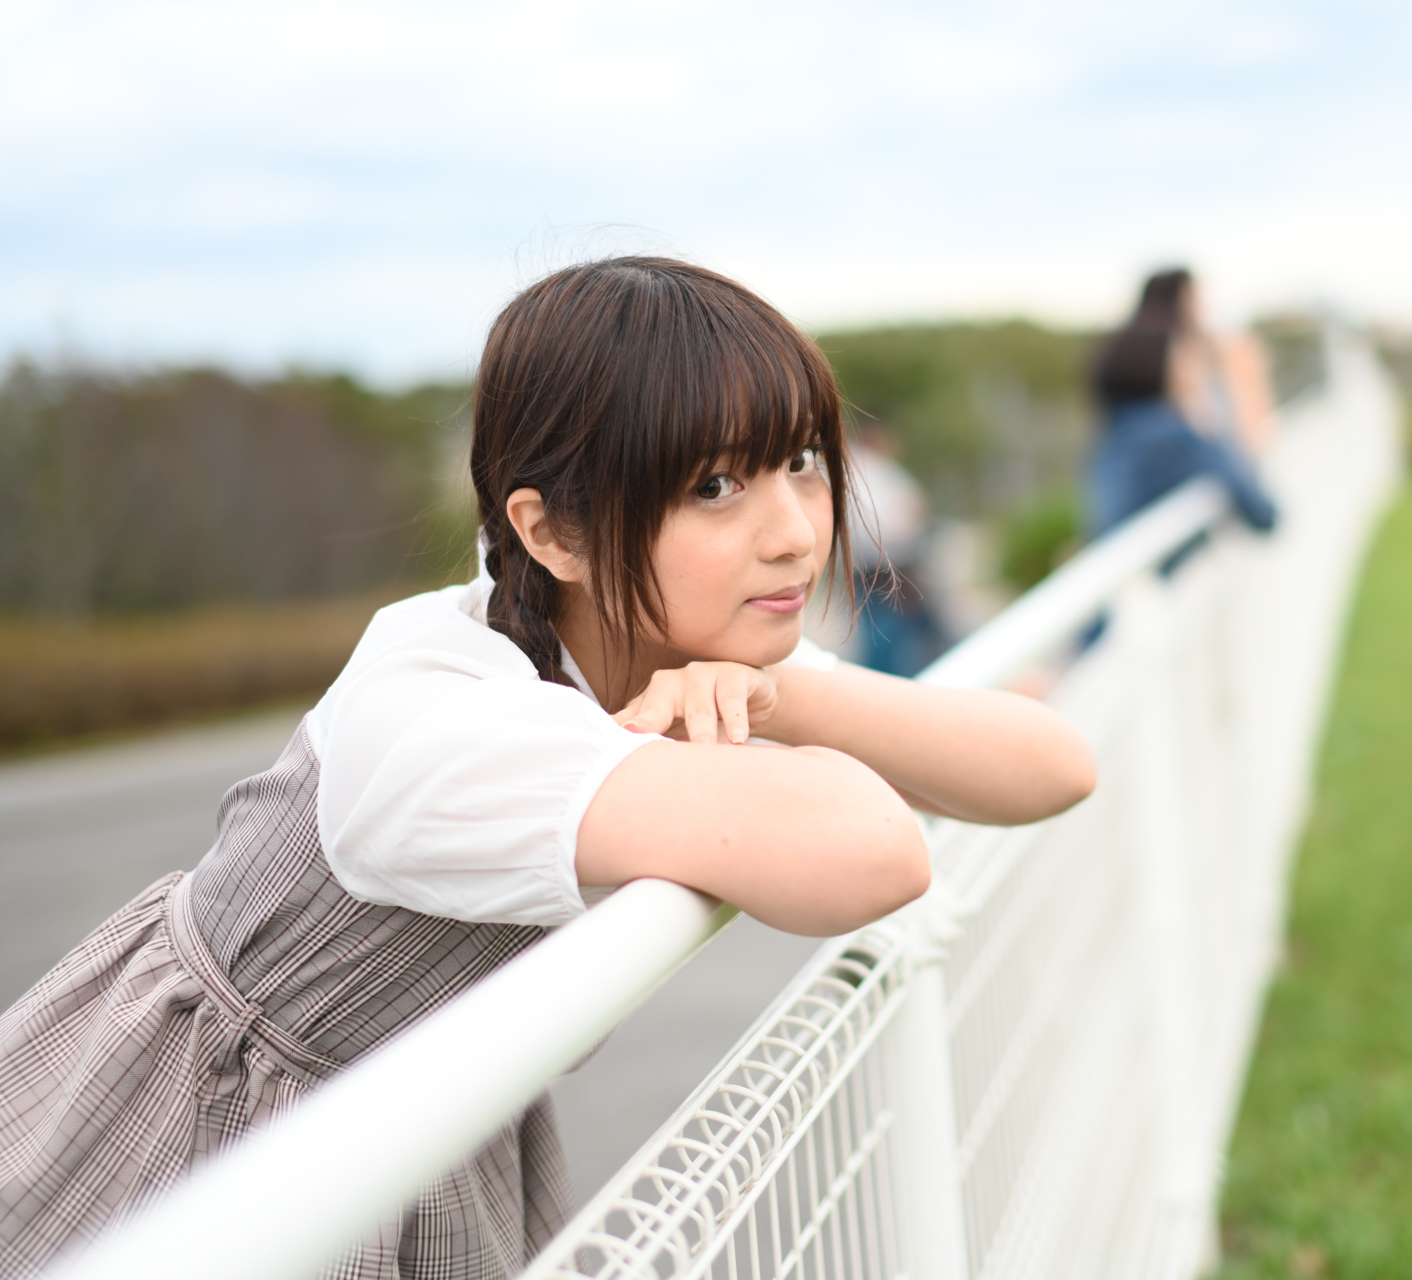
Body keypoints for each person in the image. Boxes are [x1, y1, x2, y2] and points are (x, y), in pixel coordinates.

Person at [0, 258, 1098, 1280]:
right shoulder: (435, 710)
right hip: (201, 1147)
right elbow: (869, 848)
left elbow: (1052, 764)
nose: (794, 534)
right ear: (554, 531)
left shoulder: (681, 634)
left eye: (801, 462)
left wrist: (777, 689)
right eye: (714, 484)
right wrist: (778, 706)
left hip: (419, 1140)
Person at [1086, 267, 1279, 540]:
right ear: (1163, 366)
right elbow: (1264, 514)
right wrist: (1248, 385)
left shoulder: (1119, 431)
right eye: (1185, 358)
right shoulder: (1173, 436)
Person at [846, 425, 946, 676]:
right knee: (886, 634)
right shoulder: (871, 469)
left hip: (876, 564)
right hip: (884, 565)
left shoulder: (862, 467)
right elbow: (898, 514)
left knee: (885, 634)